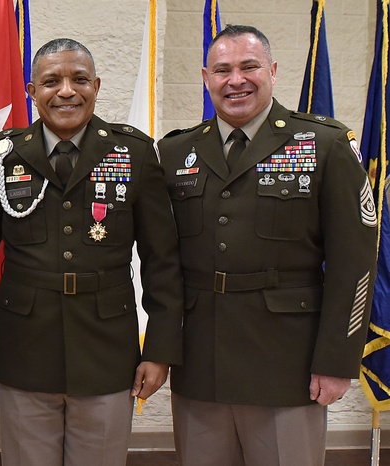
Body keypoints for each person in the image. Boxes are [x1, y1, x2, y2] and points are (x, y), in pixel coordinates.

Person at [157, 25, 377, 466]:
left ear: (273, 71)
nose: (235, 79)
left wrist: (337, 360)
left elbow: (354, 263)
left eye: (249, 66)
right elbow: (162, 262)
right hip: (200, 361)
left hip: (287, 362)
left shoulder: (325, 144)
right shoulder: (175, 151)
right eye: (222, 70)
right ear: (206, 77)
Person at [0, 39, 184, 466]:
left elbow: (163, 261)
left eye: (79, 79)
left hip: (106, 353)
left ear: (97, 85)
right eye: (51, 81)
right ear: (32, 91)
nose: (66, 90)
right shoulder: (3, 154)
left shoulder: (134, 153)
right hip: (24, 351)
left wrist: (160, 350)